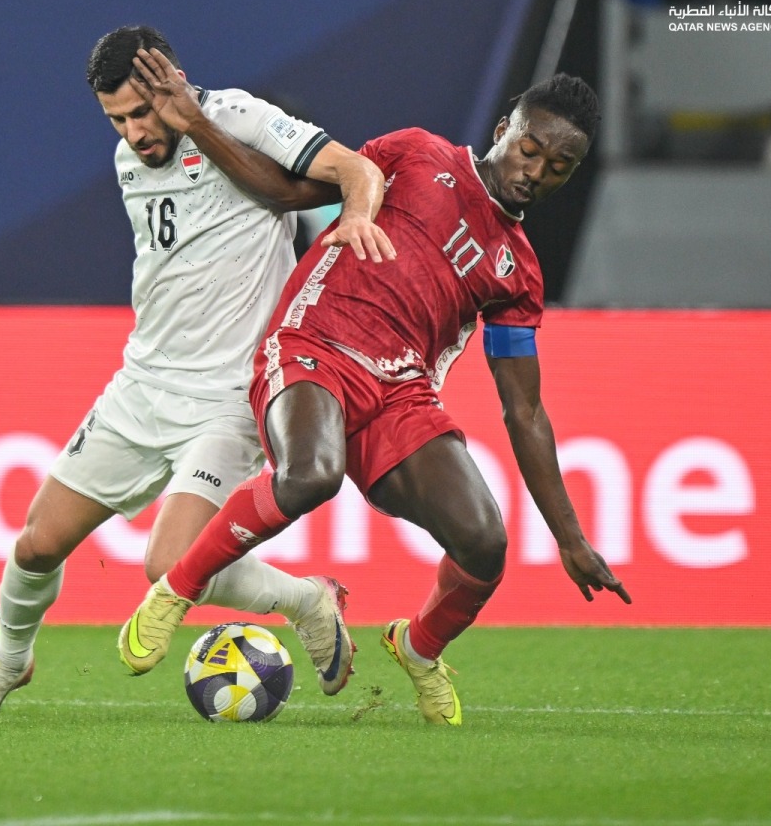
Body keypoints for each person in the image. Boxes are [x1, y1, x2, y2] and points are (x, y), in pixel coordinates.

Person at [117, 68, 632, 726]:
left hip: (401, 393)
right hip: (313, 345)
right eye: (530, 149)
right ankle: (176, 589)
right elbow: (285, 190)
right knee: (310, 474)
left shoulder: (518, 270)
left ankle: (417, 648)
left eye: (558, 166)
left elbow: (523, 409)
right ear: (506, 130)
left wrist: (570, 538)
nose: (536, 171)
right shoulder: (417, 154)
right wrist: (198, 124)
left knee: (485, 544)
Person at [0, 24, 393, 716]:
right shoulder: (132, 159)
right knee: (37, 544)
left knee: (169, 564)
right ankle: (10, 659)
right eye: (116, 119)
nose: (132, 132)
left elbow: (361, 170)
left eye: (141, 113)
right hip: (142, 386)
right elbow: (241, 211)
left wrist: (358, 219)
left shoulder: (239, 116)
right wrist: (162, 126)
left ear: (173, 84)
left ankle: (306, 599)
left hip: (225, 398)